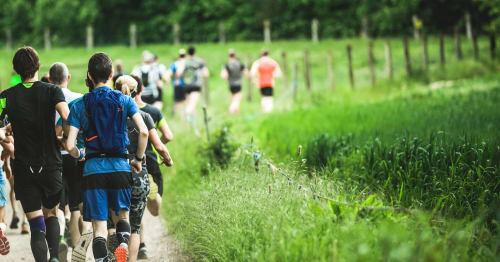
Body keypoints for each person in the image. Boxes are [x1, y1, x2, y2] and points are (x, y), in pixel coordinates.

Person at [65, 52, 149, 262]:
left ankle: (103, 259)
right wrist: (137, 160)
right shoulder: (124, 100)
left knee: (99, 227)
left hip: (93, 170)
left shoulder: (79, 105)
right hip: (121, 166)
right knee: (122, 216)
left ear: (89, 77)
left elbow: (69, 144)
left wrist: (78, 153)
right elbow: (144, 132)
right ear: (111, 74)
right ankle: (122, 242)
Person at [0, 46, 70, 262]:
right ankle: (55, 258)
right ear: (38, 66)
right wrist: (68, 142)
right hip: (50, 164)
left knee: (35, 222)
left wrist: (4, 135)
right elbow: (68, 117)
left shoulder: (5, 97)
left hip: (23, 167)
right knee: (51, 213)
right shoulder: (53, 91)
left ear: (16, 70)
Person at [130, 75, 174, 259]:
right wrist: (155, 146)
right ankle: (142, 245)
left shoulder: (119, 111)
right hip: (150, 161)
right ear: (141, 90)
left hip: (127, 163)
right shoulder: (153, 112)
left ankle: (141, 245)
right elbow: (168, 136)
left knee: (134, 208)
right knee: (151, 208)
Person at [49, 62, 88, 262]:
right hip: (76, 157)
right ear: (69, 78)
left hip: (52, 159)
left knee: (56, 206)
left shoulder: (45, 99)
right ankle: (79, 248)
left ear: (49, 79)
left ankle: (61, 241)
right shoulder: (79, 99)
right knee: (76, 206)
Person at [177, 46, 209, 121]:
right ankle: (186, 115)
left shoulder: (185, 61)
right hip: (196, 85)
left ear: (188, 52)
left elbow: (179, 73)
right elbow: (206, 73)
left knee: (187, 103)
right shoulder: (200, 61)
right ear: (194, 52)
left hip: (186, 85)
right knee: (192, 104)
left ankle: (188, 121)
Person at [250, 49, 282, 113]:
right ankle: (268, 111)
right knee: (269, 97)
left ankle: (264, 110)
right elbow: (279, 73)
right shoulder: (272, 62)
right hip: (270, 82)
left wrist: (254, 80)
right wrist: (272, 74)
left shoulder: (258, 62)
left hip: (261, 82)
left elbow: (252, 73)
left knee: (264, 96)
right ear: (268, 54)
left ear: (261, 54)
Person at [221, 49, 247, 115]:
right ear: (235, 55)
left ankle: (237, 114)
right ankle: (230, 110)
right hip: (238, 84)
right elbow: (246, 73)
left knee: (234, 99)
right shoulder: (240, 64)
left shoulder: (227, 65)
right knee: (237, 100)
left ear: (228, 56)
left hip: (231, 84)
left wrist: (227, 78)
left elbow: (223, 75)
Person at [167, 50, 186, 116]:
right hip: (185, 84)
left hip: (177, 84)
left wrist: (168, 80)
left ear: (179, 55)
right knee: (185, 101)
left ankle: (174, 114)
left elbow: (169, 73)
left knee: (176, 101)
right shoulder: (187, 62)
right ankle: (184, 116)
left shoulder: (175, 63)